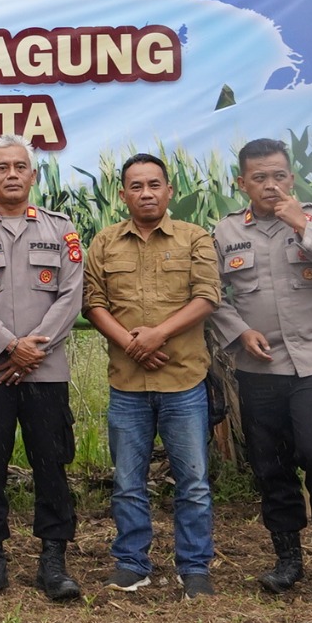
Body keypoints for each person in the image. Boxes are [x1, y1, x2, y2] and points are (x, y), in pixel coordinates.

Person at [208, 138, 312, 595]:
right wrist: (237, 331)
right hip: (259, 367)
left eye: (279, 176)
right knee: (270, 464)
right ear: (242, 183)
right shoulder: (226, 231)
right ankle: (287, 555)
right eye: (260, 178)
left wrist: (301, 225)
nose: (270, 185)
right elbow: (211, 293)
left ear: (292, 178)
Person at [0, 139, 87, 602]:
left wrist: (32, 352)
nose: (11, 174)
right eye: (1, 168)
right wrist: (9, 347)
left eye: (20, 167)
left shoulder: (61, 230)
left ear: (33, 177)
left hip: (45, 373)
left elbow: (71, 296)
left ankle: (53, 560)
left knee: (52, 464)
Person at [84, 154, 220, 595]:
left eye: (154, 185)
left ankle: (195, 566)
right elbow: (93, 302)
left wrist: (157, 335)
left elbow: (207, 297)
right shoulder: (104, 242)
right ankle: (131, 562)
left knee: (193, 482)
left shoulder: (194, 238)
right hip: (127, 384)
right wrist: (131, 344)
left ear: (169, 191)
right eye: (136, 186)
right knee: (127, 481)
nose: (146, 193)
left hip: (183, 381)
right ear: (122, 194)